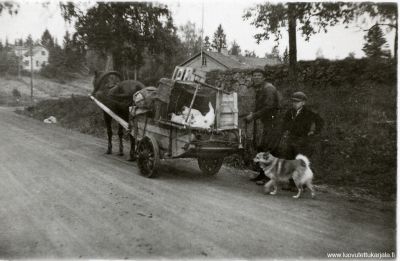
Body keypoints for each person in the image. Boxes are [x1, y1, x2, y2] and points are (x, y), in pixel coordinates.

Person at [245, 68, 281, 185]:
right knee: (261, 148)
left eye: (259, 75)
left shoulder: (268, 89)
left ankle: (268, 178)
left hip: (271, 123)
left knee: (268, 149)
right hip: (263, 122)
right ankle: (261, 175)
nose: (256, 77)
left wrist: (253, 116)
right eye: (254, 75)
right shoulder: (260, 89)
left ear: (264, 77)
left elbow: (269, 107)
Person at [280, 91, 324, 160]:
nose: (295, 104)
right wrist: (285, 131)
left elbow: (320, 122)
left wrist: (314, 131)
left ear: (303, 103)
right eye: (293, 101)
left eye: (297, 102)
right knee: (289, 158)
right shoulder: (290, 112)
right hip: (291, 138)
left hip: (303, 140)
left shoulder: (309, 113)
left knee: (300, 159)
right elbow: (284, 123)